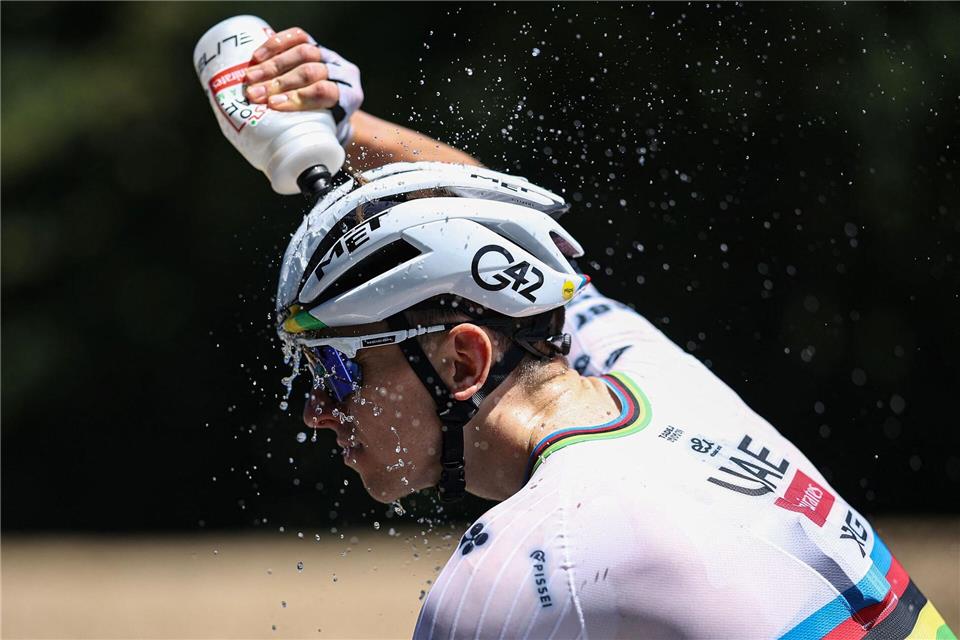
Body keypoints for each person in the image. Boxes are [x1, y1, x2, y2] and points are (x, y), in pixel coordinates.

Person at [244, 28, 956, 640]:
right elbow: (490, 237)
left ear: (465, 359)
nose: (316, 410)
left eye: (337, 371)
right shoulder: (653, 376)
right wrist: (341, 128)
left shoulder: (516, 566)